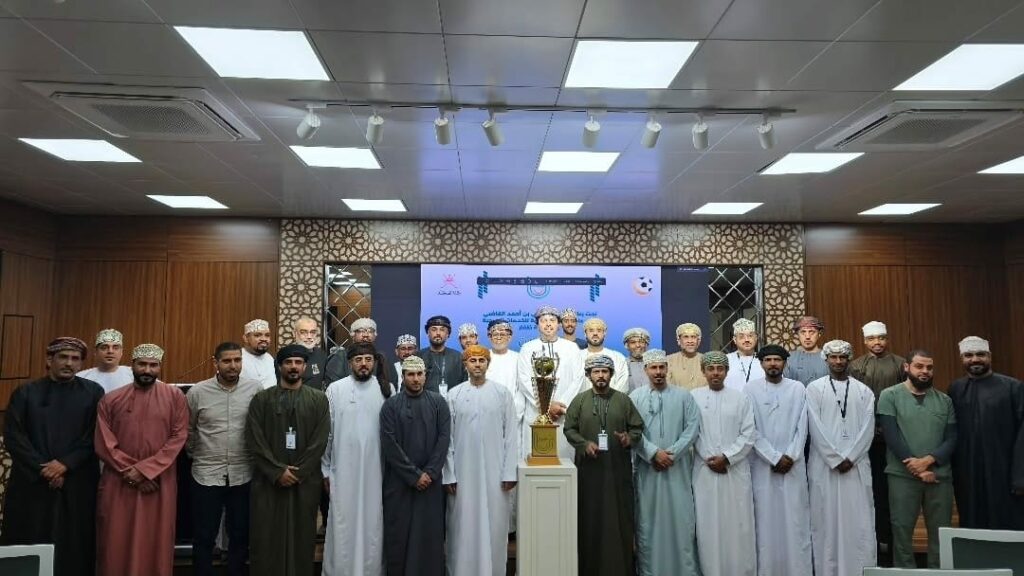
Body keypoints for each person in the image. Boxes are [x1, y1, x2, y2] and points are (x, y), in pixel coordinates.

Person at [1, 337, 104, 576]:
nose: (69, 363)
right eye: (63, 357)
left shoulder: (93, 393)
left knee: (74, 545)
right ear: (49, 360)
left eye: (75, 359)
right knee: (30, 539)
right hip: (33, 483)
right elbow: (14, 436)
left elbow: (96, 435)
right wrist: (44, 469)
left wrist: (65, 464)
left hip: (76, 482)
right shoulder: (26, 393)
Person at [95, 343, 189, 576]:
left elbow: (178, 438)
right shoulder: (111, 399)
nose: (147, 370)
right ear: (132, 365)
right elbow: (104, 442)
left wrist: (147, 471)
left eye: (153, 365)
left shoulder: (174, 397)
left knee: (156, 539)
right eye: (142, 364)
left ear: (160, 367)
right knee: (115, 539)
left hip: (159, 482)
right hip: (119, 481)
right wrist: (133, 472)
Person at [246, 344, 330, 576]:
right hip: (268, 483)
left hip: (305, 483)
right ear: (280, 366)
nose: (293, 367)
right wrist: (277, 472)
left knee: (302, 537)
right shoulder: (261, 400)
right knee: (266, 538)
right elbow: (254, 439)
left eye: (298, 363)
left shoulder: (318, 400)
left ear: (305, 367)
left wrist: (298, 472)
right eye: (288, 362)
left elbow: (320, 440)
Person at [563, 354, 644, 576]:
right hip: (589, 473)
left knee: (619, 520)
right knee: (590, 519)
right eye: (596, 371)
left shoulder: (623, 400)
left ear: (611, 374)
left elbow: (637, 427)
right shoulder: (579, 401)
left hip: (618, 472)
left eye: (605, 371)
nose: (601, 375)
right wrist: (583, 444)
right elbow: (569, 429)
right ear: (589, 375)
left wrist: (628, 438)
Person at [186, 342, 262, 576]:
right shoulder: (198, 392)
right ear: (216, 363)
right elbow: (188, 430)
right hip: (206, 474)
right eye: (227, 361)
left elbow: (260, 426)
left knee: (239, 534)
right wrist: (197, 454)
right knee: (204, 535)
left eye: (237, 360)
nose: (233, 365)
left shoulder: (255, 389)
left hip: (243, 473)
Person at [443, 345, 519, 576]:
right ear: (465, 365)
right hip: (462, 474)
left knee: (494, 524)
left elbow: (511, 435)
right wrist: (449, 475)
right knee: (462, 524)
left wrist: (509, 472)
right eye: (472, 360)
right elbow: (448, 439)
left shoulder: (502, 394)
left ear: (488, 364)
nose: (477, 364)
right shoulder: (454, 395)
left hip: (496, 475)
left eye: (481, 360)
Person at [878, 349, 956, 568]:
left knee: (941, 533)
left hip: (938, 476)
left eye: (929, 367)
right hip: (902, 475)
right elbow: (891, 436)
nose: (925, 371)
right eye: (919, 366)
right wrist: (917, 467)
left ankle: (938, 573)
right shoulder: (889, 396)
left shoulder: (944, 400)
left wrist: (928, 461)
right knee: (901, 531)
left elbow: (952, 438)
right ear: (907, 367)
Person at [321, 342, 394, 575]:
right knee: (343, 520)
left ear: (374, 362)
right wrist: (325, 469)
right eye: (358, 360)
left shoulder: (387, 389)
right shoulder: (335, 389)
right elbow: (328, 432)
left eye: (368, 359)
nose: (364, 364)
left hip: (376, 470)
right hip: (343, 469)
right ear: (350, 363)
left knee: (373, 521)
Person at [807, 340, 877, 576]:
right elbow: (814, 426)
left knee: (858, 520)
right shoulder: (814, 389)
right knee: (825, 521)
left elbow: (868, 428)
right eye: (833, 357)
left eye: (842, 357)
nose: (838, 361)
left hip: (856, 467)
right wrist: (835, 458)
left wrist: (851, 457)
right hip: (825, 467)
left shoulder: (864, 391)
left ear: (849, 359)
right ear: (826, 359)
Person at [630, 348, 701, 576]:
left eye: (662, 367)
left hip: (677, 470)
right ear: (645, 370)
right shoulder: (635, 398)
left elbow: (692, 428)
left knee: (681, 521)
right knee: (649, 523)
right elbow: (632, 431)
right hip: (648, 471)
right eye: (654, 368)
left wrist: (671, 454)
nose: (658, 372)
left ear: (667, 369)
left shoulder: (684, 396)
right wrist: (653, 453)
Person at [744, 344, 812, 576]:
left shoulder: (798, 388)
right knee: (765, 521)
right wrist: (773, 457)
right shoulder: (750, 389)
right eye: (768, 360)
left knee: (795, 519)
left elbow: (803, 425)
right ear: (761, 363)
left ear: (785, 363)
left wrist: (790, 455)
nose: (773, 364)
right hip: (763, 466)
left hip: (793, 464)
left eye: (777, 360)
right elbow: (750, 427)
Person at [380, 356, 451, 576]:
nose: (416, 379)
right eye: (411, 374)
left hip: (430, 484)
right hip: (399, 483)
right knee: (399, 536)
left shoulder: (438, 403)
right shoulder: (390, 406)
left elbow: (444, 440)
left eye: (420, 374)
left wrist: (429, 473)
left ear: (425, 376)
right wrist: (413, 476)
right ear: (403, 376)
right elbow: (389, 443)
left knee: (429, 536)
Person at [949, 336, 1024, 529]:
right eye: (969, 355)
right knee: (972, 522)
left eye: (980, 354)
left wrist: (1020, 476)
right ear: (962, 359)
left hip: (1004, 471)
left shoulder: (1012, 387)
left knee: (1007, 523)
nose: (975, 359)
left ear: (989, 356)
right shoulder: (955, 389)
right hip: (968, 473)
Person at [692, 350, 756, 576]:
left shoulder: (741, 398)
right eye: (711, 369)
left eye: (720, 369)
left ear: (727, 371)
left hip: (734, 471)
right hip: (705, 471)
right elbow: (692, 432)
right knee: (708, 525)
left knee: (738, 524)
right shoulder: (693, 397)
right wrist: (710, 458)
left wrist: (727, 457)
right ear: (703, 371)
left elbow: (749, 433)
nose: (715, 373)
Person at [849, 320, 905, 556]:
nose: (877, 343)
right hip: (866, 439)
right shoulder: (855, 366)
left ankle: (893, 544)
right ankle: (872, 544)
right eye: (872, 339)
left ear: (887, 339)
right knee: (871, 490)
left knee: (893, 492)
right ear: (865, 341)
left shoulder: (900, 364)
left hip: (894, 437)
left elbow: (904, 399)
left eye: (881, 338)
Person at [516, 306, 581, 460]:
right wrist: (546, 405)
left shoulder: (571, 348)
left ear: (559, 324)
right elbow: (524, 380)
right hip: (535, 412)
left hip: (562, 414)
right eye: (543, 320)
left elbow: (578, 378)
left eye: (552, 320)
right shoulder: (527, 348)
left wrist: (560, 406)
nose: (548, 324)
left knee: (563, 460)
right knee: (536, 460)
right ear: (537, 325)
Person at [325, 318, 392, 391]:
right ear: (352, 335)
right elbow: (334, 387)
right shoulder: (341, 356)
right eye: (361, 331)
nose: (366, 335)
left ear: (375, 335)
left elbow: (390, 385)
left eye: (370, 331)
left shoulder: (381, 357)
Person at [416, 315, 467, 396]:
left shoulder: (458, 357)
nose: (438, 333)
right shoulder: (418, 357)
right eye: (434, 329)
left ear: (447, 334)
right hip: (424, 402)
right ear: (428, 333)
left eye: (442, 330)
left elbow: (465, 387)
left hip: (451, 402)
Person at [576, 317, 629, 394]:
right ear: (585, 334)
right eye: (591, 330)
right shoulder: (576, 357)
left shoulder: (618, 357)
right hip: (582, 401)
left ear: (604, 333)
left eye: (599, 330)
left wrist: (610, 399)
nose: (595, 333)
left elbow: (623, 384)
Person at [77, 328, 133, 393]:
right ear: (96, 352)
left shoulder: (133, 375)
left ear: (121, 352)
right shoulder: (82, 377)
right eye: (104, 348)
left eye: (115, 348)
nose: (110, 351)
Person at [783, 316, 828, 386]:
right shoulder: (789, 358)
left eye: (812, 332)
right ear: (797, 335)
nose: (807, 337)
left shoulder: (827, 358)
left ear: (819, 334)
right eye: (803, 332)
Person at [725, 318, 764, 390]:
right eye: (741, 337)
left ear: (756, 338)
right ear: (735, 340)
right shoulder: (726, 360)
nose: (746, 340)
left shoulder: (765, 360)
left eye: (750, 336)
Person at [666, 322, 706, 390]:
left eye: (693, 337)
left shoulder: (707, 360)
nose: (690, 341)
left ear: (698, 341)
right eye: (686, 337)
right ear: (679, 340)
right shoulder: (669, 361)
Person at [293, 316, 328, 390]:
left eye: (312, 332)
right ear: (294, 334)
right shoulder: (287, 357)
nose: (309, 336)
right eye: (303, 332)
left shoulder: (322, 355)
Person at [241, 318, 276, 389]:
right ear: (246, 338)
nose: (264, 339)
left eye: (267, 335)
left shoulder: (269, 358)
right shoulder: (238, 358)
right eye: (257, 335)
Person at [623, 327, 651, 392]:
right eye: (633, 342)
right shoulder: (622, 366)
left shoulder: (656, 365)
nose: (638, 345)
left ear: (646, 345)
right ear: (627, 346)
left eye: (641, 342)